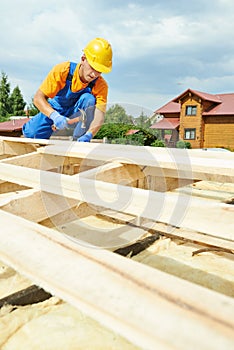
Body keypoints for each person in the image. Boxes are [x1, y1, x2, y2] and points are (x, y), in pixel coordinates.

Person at [23, 37, 112, 141]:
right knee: (31, 134)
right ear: (83, 59)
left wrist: (89, 134)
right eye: (92, 67)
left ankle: (78, 138)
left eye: (99, 71)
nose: (94, 74)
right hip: (56, 110)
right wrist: (55, 116)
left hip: (77, 116)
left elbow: (99, 116)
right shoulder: (63, 70)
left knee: (88, 99)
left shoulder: (101, 85)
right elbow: (38, 98)